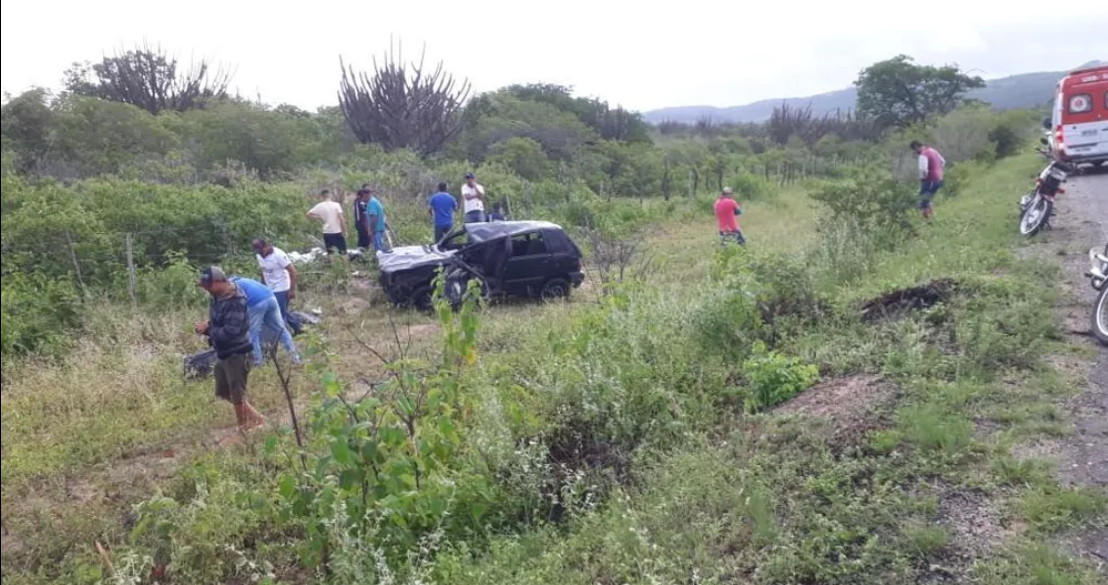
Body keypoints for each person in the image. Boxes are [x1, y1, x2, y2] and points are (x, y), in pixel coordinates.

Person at [195, 266, 266, 433]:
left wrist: (208, 330)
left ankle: (243, 428)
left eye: (208, 286)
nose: (206, 289)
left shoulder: (236, 300)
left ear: (219, 282)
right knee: (223, 391)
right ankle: (257, 418)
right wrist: (208, 325)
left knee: (237, 393)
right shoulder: (217, 297)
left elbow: (231, 331)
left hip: (237, 352)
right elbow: (220, 320)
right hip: (224, 352)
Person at [228, 274, 301, 366]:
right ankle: (295, 358)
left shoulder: (231, 285)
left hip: (255, 302)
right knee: (281, 329)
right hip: (270, 297)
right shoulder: (246, 280)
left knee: (252, 334)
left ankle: (257, 363)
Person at [252, 238, 302, 335]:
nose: (260, 254)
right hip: (269, 288)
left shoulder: (278, 255)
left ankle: (282, 337)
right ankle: (297, 326)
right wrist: (262, 286)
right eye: (258, 252)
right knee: (278, 310)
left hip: (282, 287)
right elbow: (263, 271)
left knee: (279, 314)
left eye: (261, 251)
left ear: (266, 246)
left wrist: (292, 289)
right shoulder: (259, 255)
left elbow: (293, 271)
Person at [911, 140, 946, 221]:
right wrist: (938, 170)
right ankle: (932, 218)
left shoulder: (923, 155)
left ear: (916, 147)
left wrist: (923, 178)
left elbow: (923, 170)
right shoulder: (933, 150)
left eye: (914, 149)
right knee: (927, 199)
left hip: (930, 180)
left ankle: (928, 220)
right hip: (939, 179)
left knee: (923, 201)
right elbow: (943, 162)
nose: (915, 152)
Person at [307, 189, 347, 254]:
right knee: (343, 252)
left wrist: (319, 217)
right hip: (336, 231)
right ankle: (345, 261)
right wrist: (345, 231)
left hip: (327, 232)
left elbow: (308, 214)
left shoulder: (319, 205)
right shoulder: (336, 205)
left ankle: (332, 260)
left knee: (330, 252)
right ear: (330, 195)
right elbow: (341, 219)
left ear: (322, 196)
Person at [364, 188, 391, 254]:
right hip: (378, 228)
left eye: (363, 196)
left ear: (366, 195)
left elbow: (374, 217)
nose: (363, 198)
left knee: (379, 251)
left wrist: (371, 229)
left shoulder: (372, 203)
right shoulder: (375, 201)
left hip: (376, 230)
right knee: (381, 248)